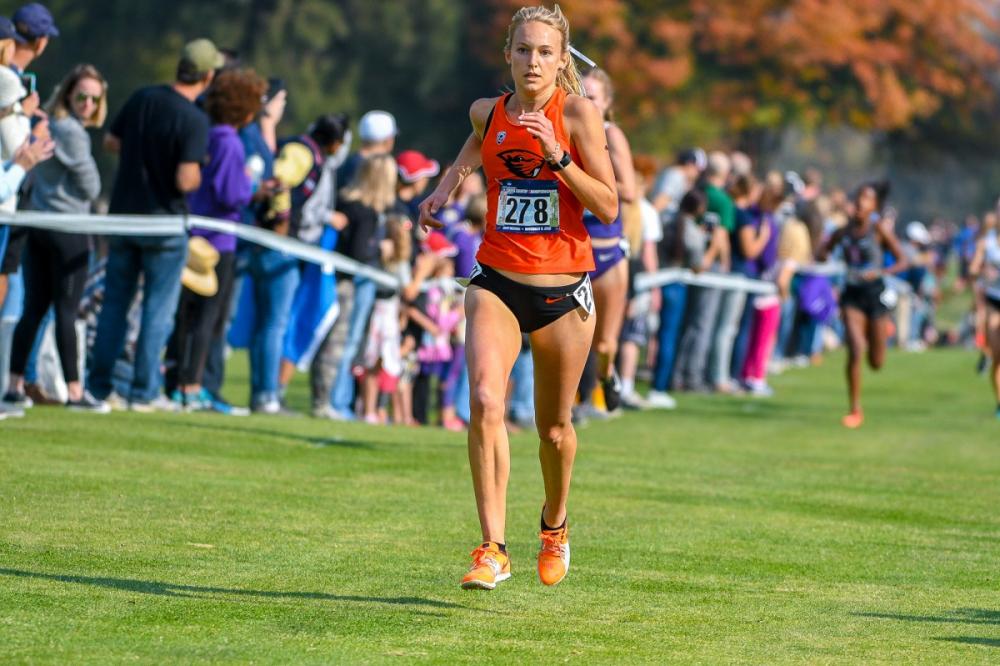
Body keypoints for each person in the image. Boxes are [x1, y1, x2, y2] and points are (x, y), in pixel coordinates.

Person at [419, 4, 616, 590]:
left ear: (561, 60)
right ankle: (492, 548)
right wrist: (438, 195)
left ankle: (554, 525)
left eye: (545, 52)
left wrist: (557, 155)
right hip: (496, 280)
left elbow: (607, 206)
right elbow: (468, 158)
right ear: (507, 54)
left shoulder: (579, 114)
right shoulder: (487, 113)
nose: (534, 61)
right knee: (484, 398)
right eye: (524, 50)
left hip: (563, 293)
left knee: (553, 429)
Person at [87, 39, 217, 411]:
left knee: (114, 306)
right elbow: (184, 180)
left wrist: (141, 154)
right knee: (157, 311)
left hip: (125, 216)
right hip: (163, 224)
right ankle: (143, 393)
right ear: (207, 77)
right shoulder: (194, 119)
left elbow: (112, 141)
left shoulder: (143, 97)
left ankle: (99, 387)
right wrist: (198, 167)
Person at [4, 64, 106, 412]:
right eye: (82, 95)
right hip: (68, 230)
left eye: (95, 98)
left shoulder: (47, 126)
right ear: (68, 94)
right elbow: (92, 186)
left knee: (34, 309)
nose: (89, 103)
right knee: (65, 310)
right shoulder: (72, 132)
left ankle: (13, 384)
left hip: (41, 225)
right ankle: (76, 393)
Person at [168, 68, 264, 410]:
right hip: (217, 240)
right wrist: (250, 184)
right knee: (208, 317)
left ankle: (178, 381)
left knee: (187, 315)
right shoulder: (229, 142)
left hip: (194, 234)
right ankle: (191, 385)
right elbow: (229, 193)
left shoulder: (207, 133)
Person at [314, 153, 397, 419]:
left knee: (335, 340)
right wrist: (380, 247)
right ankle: (336, 402)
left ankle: (332, 399)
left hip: (333, 278)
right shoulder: (367, 211)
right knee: (346, 342)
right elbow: (359, 252)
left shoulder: (346, 200)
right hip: (352, 281)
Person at [818, 181, 907, 429]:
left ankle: (878, 335)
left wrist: (881, 271)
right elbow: (822, 251)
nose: (859, 203)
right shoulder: (842, 232)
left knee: (876, 362)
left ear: (874, 206)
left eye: (866, 199)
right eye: (858, 197)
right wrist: (822, 254)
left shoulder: (878, 230)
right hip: (852, 296)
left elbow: (903, 261)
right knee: (855, 348)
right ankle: (855, 409)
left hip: (875, 295)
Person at [575, 66, 634, 415]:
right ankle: (570, 405)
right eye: (580, 96)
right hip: (572, 252)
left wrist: (589, 181)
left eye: (593, 98)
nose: (586, 103)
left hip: (609, 254)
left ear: (607, 103)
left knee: (605, 343)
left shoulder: (613, 135)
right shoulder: (565, 134)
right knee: (569, 342)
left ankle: (608, 374)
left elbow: (630, 191)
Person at [968, 210, 1000, 418]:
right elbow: (972, 269)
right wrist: (982, 271)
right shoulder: (986, 243)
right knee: (998, 356)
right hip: (994, 301)